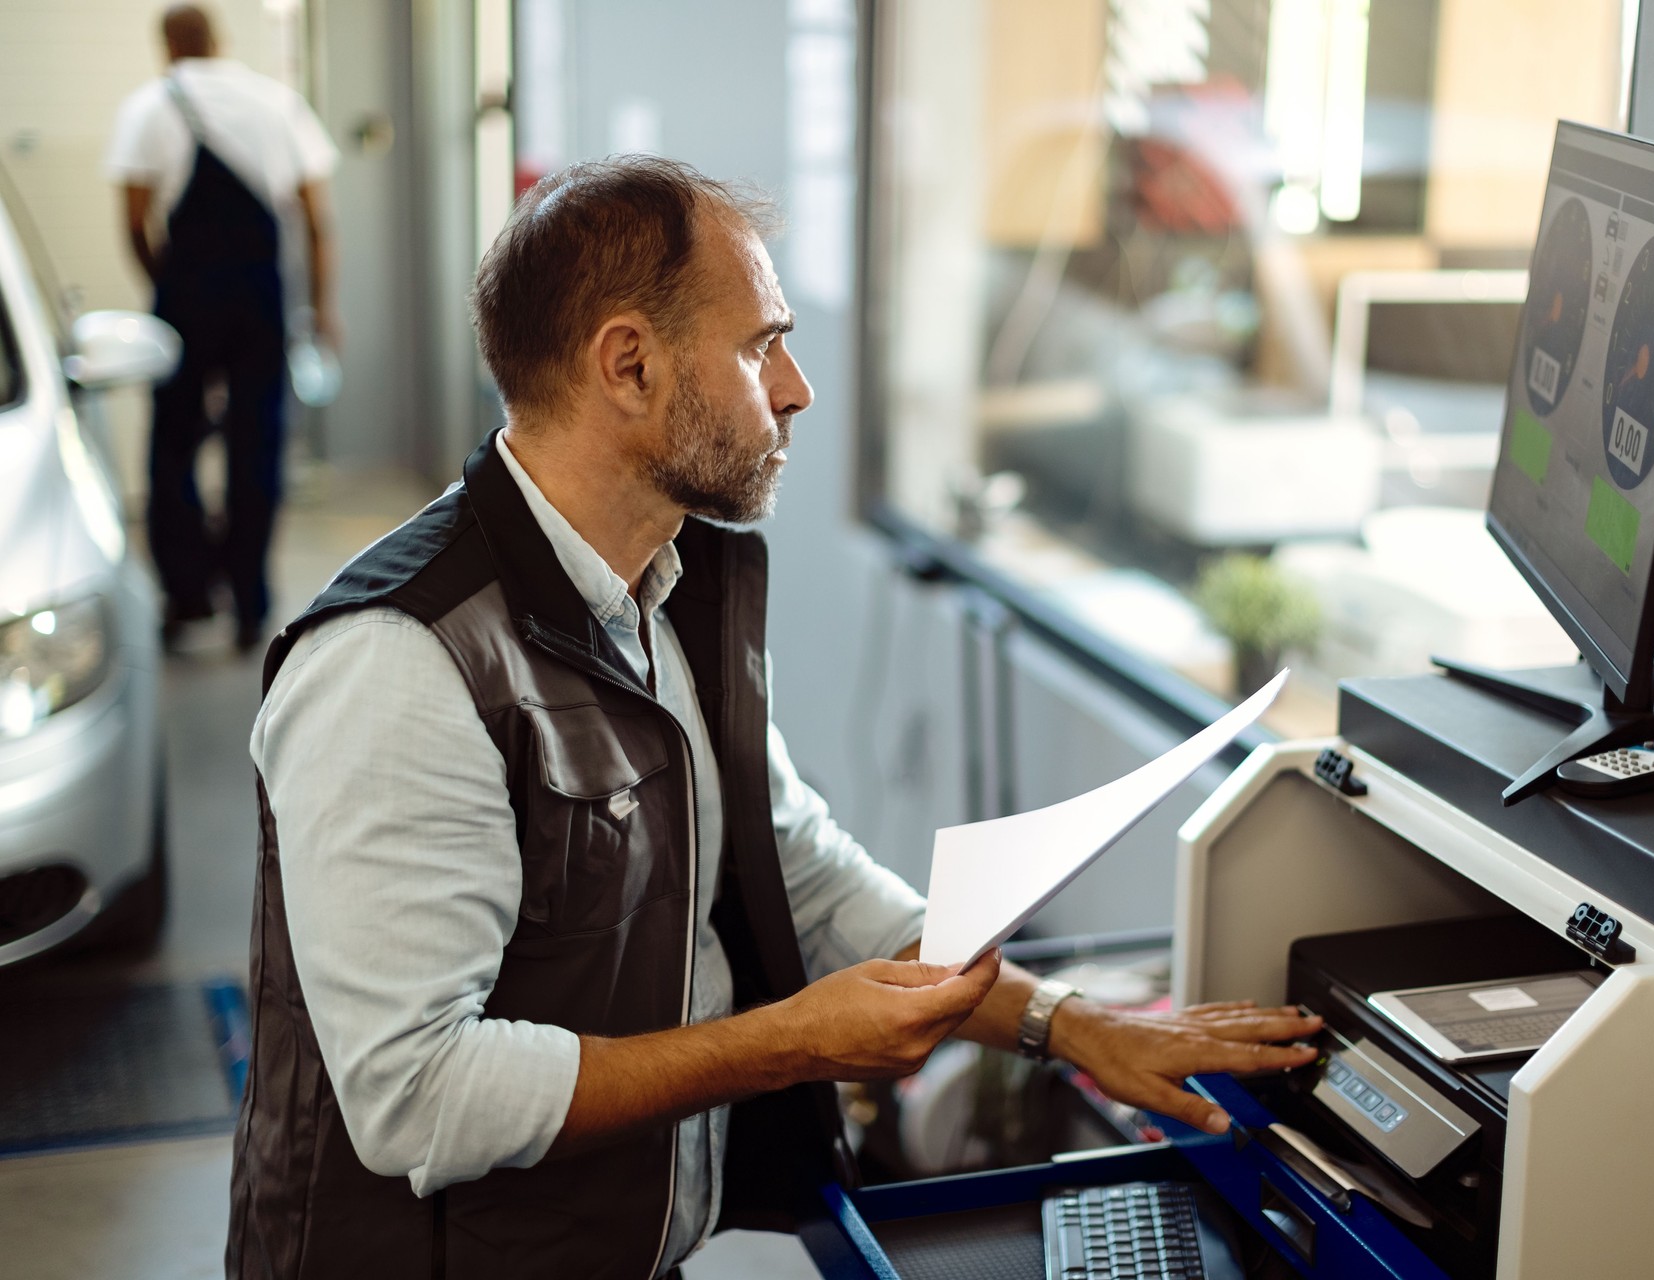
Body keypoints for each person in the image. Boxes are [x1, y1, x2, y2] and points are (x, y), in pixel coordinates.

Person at [227, 155, 1322, 1277]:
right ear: (630, 364)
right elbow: (417, 1097)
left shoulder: (669, 589)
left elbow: (799, 868)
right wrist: (793, 1042)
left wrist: (1076, 1024)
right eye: (761, 345)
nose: (795, 387)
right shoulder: (398, 660)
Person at [103, 3, 339, 650]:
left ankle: (188, 594)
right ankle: (250, 603)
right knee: (256, 443)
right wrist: (322, 309)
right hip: (262, 293)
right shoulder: (276, 103)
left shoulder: (149, 107)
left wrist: (168, 286)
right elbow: (317, 221)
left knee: (173, 442)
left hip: (187, 296)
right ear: (220, 42)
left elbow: (133, 219)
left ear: (168, 46)